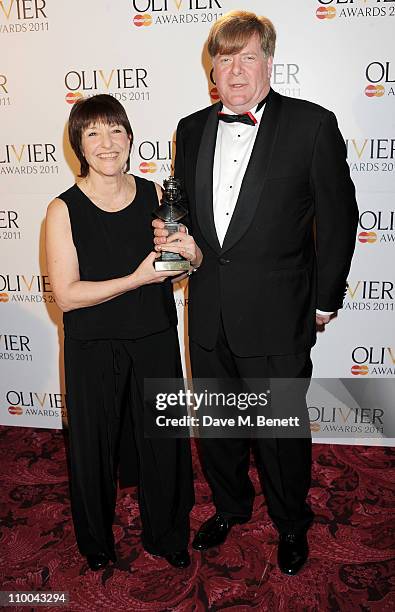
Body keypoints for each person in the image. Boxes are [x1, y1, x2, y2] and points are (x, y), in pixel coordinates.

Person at [153, 10, 358, 575]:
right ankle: (230, 507)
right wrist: (175, 239)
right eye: (224, 58)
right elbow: (190, 215)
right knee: (219, 426)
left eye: (247, 57)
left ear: (270, 60)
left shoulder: (312, 125)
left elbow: (338, 220)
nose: (235, 70)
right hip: (210, 310)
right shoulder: (191, 128)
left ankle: (292, 523)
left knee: (279, 433)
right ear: (211, 68)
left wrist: (324, 300)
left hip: (278, 312)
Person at [45, 94, 196, 571]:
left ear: (130, 138)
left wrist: (189, 255)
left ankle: (168, 533)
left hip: (153, 335)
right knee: (92, 447)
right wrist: (135, 278)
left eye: (116, 131)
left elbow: (176, 267)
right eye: (93, 133)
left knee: (164, 442)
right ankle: (96, 543)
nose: (107, 143)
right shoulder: (62, 210)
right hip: (92, 345)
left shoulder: (158, 195)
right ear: (79, 146)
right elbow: (67, 296)